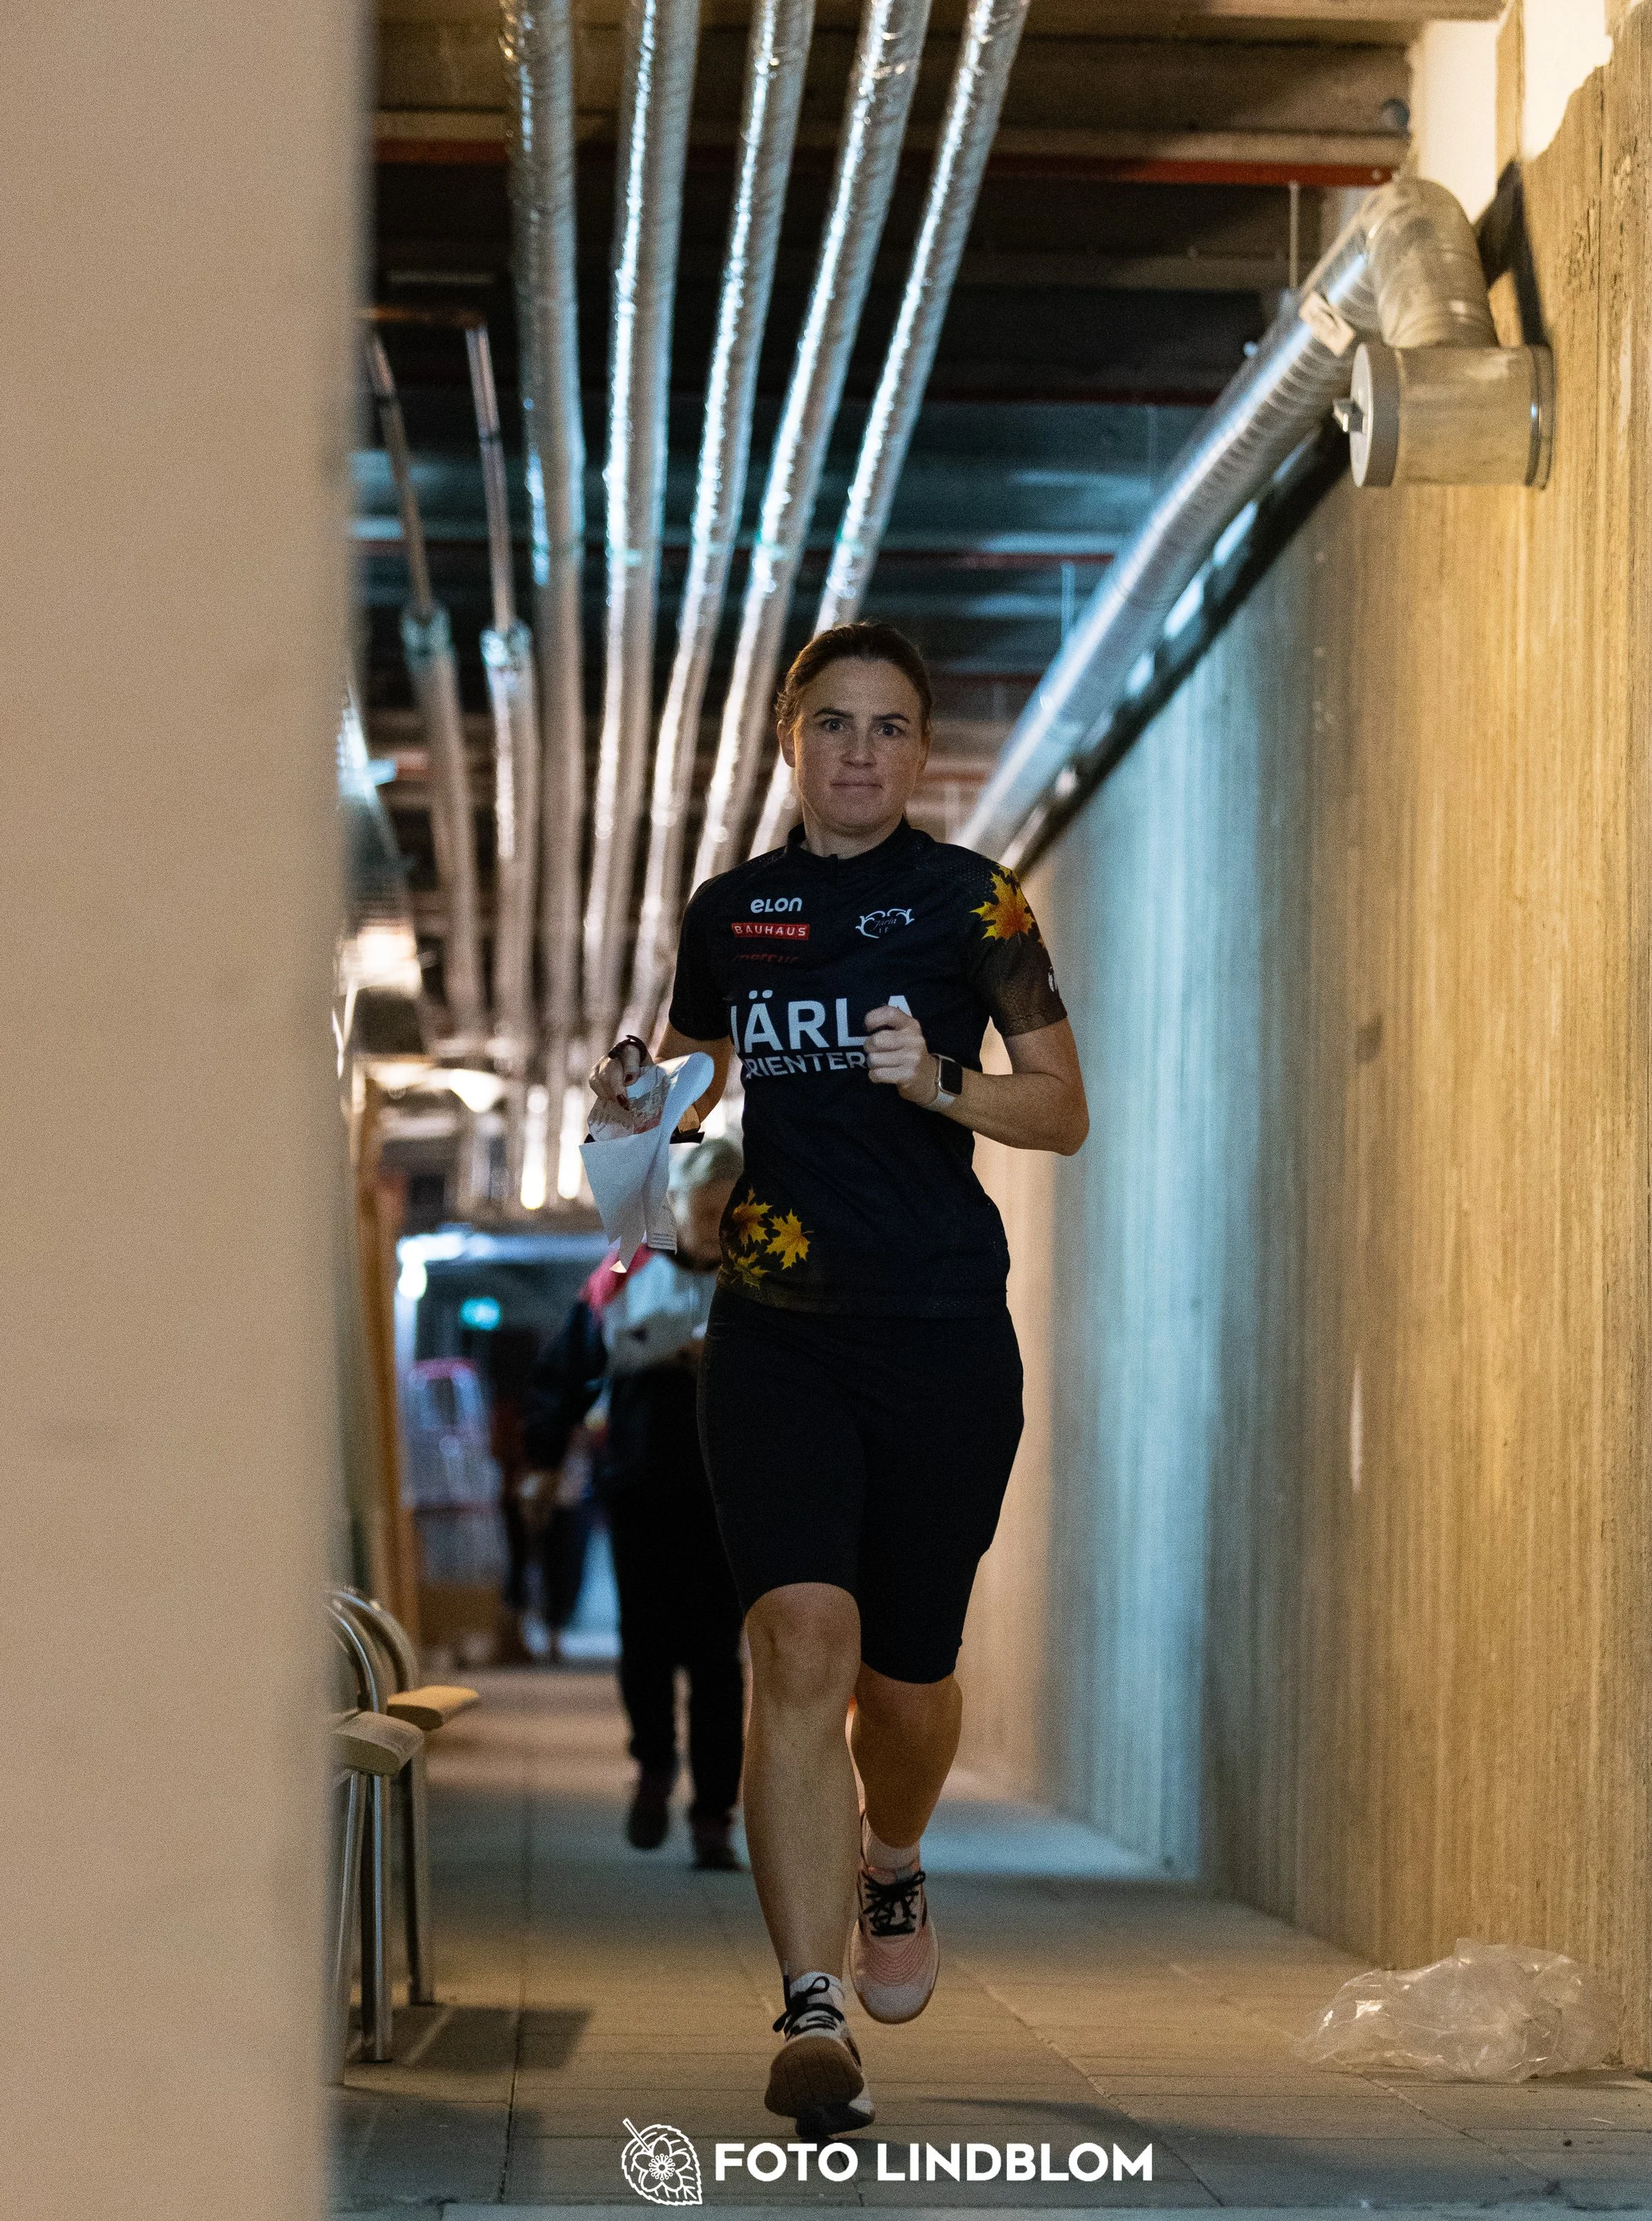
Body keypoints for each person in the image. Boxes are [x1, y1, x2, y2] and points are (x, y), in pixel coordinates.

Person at [590, 621, 1089, 2138]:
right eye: (831, 725)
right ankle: (809, 2008)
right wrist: (637, 1101)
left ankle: (892, 1855)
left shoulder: (972, 900)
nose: (858, 751)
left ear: (919, 750)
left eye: (886, 727)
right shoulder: (733, 914)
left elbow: (1061, 1107)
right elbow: (678, 1095)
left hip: (939, 1332)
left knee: (905, 1674)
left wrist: (937, 1081)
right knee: (800, 1641)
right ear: (787, 744)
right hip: (778, 1330)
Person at [523, 1139, 748, 1870]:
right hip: (641, 1486)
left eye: (727, 1206)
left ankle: (714, 1811)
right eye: (702, 1206)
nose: (715, 1219)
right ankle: (653, 1768)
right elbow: (564, 1372)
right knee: (645, 1644)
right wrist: (541, 1459)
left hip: (729, 1498)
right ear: (673, 1206)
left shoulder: (763, 1276)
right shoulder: (621, 1277)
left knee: (717, 1658)